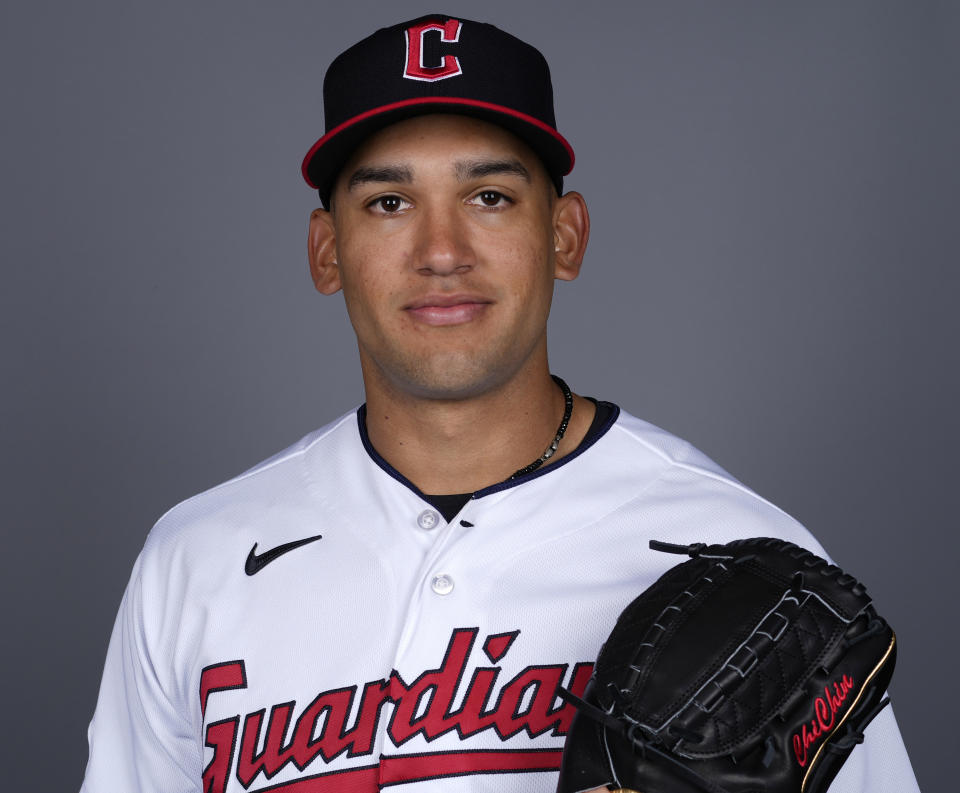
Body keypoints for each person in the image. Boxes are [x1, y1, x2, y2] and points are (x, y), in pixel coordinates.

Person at [80, 14, 920, 793]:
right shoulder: (196, 561)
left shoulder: (750, 566)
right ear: (327, 252)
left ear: (564, 236)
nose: (441, 252)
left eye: (489, 197)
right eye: (389, 203)